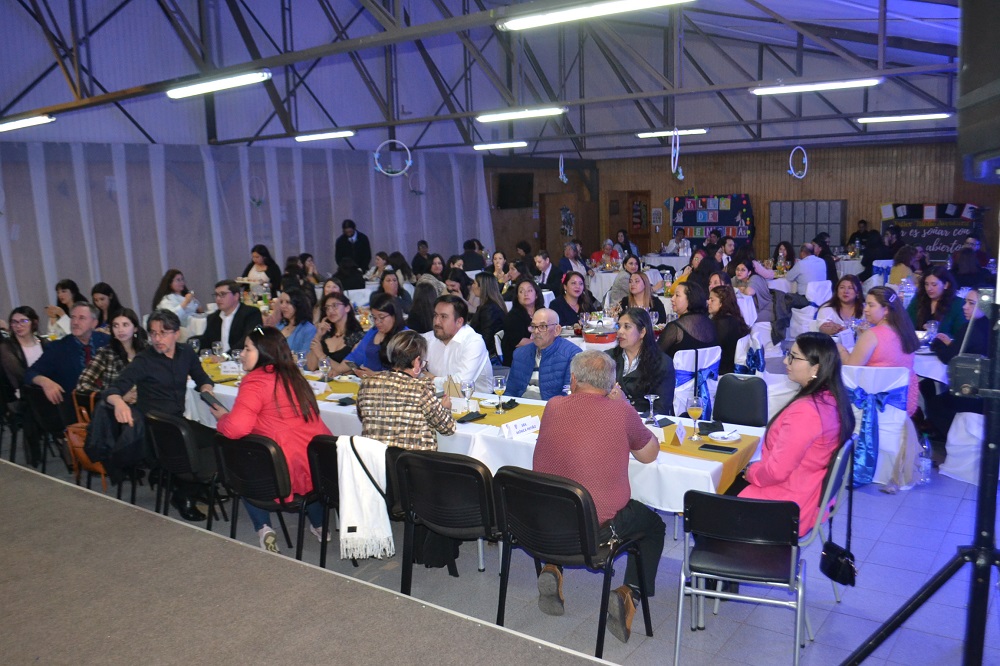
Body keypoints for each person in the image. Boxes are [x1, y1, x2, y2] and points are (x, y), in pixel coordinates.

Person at [532, 351, 664, 642]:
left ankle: (553, 565)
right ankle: (629, 594)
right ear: (611, 384)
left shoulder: (553, 406)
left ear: (574, 379)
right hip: (597, 532)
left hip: (546, 523)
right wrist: (624, 405)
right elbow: (649, 454)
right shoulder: (621, 412)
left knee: (567, 491)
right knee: (654, 526)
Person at [211, 327, 331, 552]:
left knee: (241, 455)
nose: (242, 355)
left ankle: (264, 527)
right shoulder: (295, 376)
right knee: (277, 452)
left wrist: (222, 419)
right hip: (315, 465)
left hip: (281, 471)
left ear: (264, 351)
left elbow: (236, 428)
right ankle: (320, 525)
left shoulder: (255, 381)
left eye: (247, 349)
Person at [727, 333, 855, 536]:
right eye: (788, 354)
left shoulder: (807, 411)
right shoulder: (831, 399)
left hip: (784, 506)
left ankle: (729, 557)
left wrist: (750, 472)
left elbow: (776, 472)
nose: (786, 360)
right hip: (804, 492)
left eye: (794, 357)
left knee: (705, 503)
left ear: (816, 368)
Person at [104, 309, 216, 521]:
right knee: (186, 441)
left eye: (163, 333)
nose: (157, 338)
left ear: (176, 333)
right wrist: (118, 402)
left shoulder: (186, 353)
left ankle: (196, 484)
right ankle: (184, 495)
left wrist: (207, 389)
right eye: (153, 333)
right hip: (154, 425)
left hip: (177, 420)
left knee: (215, 438)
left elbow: (202, 378)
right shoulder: (144, 360)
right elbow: (113, 389)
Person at [357, 329, 455, 451]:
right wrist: (445, 408)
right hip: (413, 465)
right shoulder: (421, 388)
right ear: (416, 361)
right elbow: (448, 428)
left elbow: (362, 417)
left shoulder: (367, 383)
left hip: (374, 462)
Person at [839, 287, 920, 416]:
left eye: (871, 305)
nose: (865, 309)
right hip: (903, 401)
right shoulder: (906, 332)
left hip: (874, 403)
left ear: (886, 309)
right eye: (866, 304)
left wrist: (841, 350)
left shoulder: (872, 335)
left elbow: (851, 369)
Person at [25, 302, 110, 424]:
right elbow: (30, 373)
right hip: (79, 409)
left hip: (108, 398)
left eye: (81, 318)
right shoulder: (58, 348)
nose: (75, 322)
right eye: (73, 317)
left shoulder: (105, 341)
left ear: (94, 323)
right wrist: (45, 382)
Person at [926, 288, 989, 438]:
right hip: (986, 392)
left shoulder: (970, 328)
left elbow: (949, 358)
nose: (964, 306)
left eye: (971, 303)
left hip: (969, 393)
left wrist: (936, 343)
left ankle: (949, 436)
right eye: (966, 302)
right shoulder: (989, 326)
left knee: (934, 401)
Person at [0, 306, 48, 466]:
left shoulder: (44, 342)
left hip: (46, 391)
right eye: (14, 322)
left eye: (23, 321)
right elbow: (22, 376)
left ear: (34, 322)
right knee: (33, 401)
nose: (18, 325)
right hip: (20, 395)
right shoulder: (6, 347)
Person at [607, 308, 674, 414]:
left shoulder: (662, 363)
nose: (620, 331)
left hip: (645, 424)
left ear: (642, 332)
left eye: (627, 327)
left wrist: (626, 406)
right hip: (611, 419)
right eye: (618, 326)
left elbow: (661, 409)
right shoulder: (607, 358)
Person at [505, 308, 581, 400]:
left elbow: (568, 395)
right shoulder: (520, 353)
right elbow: (510, 391)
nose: (536, 332)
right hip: (520, 406)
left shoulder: (572, 354)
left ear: (557, 330)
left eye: (542, 326)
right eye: (533, 326)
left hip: (551, 408)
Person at [422, 295, 492, 394]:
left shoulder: (474, 342)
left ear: (459, 322)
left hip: (476, 401)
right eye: (435, 315)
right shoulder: (428, 338)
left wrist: (433, 379)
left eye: (443, 317)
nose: (436, 322)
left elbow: (461, 384)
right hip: (437, 399)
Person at [76, 308, 148, 394]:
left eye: (125, 325)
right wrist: (113, 395)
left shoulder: (147, 350)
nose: (120, 330)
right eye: (115, 326)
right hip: (117, 405)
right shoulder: (105, 353)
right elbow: (82, 383)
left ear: (135, 328)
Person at [334, 292, 406, 377]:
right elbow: (355, 357)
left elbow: (404, 373)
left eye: (381, 317)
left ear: (394, 315)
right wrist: (337, 371)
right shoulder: (373, 331)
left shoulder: (405, 337)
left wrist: (375, 375)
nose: (377, 322)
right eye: (374, 318)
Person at [197, 280, 263, 354]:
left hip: (242, 359)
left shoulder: (251, 313)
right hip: (218, 361)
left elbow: (248, 340)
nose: (218, 298)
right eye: (216, 295)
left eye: (222, 294)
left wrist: (225, 357)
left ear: (236, 296)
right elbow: (206, 341)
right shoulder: (213, 318)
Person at [307, 292, 365, 369]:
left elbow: (351, 369)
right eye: (327, 308)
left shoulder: (358, 337)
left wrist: (321, 355)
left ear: (347, 308)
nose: (330, 311)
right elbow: (311, 367)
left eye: (335, 306)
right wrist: (318, 336)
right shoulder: (325, 334)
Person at [658, 281, 717, 356]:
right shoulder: (711, 324)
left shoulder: (675, 328)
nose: (672, 299)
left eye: (677, 295)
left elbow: (656, 356)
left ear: (690, 299)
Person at [907, 267, 964, 339]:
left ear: (946, 285)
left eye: (934, 285)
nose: (929, 288)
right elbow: (906, 324)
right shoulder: (919, 299)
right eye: (926, 284)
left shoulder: (957, 304)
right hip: (917, 346)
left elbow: (960, 335)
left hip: (943, 347)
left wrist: (933, 331)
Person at [708, 286, 751, 375]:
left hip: (721, 370)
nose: (708, 302)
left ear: (722, 303)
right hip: (735, 368)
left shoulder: (719, 323)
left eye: (712, 300)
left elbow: (711, 350)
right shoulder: (736, 319)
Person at [262, 288, 317, 357]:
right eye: (281, 302)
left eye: (288, 302)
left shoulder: (308, 329)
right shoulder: (281, 324)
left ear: (298, 305)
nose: (283, 306)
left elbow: (305, 359)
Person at [501, 279, 543, 367]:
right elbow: (519, 342)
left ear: (536, 295)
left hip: (540, 355)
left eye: (529, 290)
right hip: (519, 360)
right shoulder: (513, 316)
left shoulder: (542, 312)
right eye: (521, 291)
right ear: (517, 296)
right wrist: (545, 342)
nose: (525, 294)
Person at [469, 273, 506, 364]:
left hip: (488, 357)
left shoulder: (489, 309)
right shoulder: (490, 306)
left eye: (474, 283)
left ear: (482, 287)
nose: (472, 286)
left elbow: (486, 337)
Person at [732, 259, 773, 324]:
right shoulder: (736, 279)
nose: (739, 272)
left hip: (765, 309)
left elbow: (749, 292)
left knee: (744, 321)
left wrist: (738, 289)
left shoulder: (755, 278)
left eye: (743, 270)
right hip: (750, 310)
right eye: (737, 269)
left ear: (749, 272)